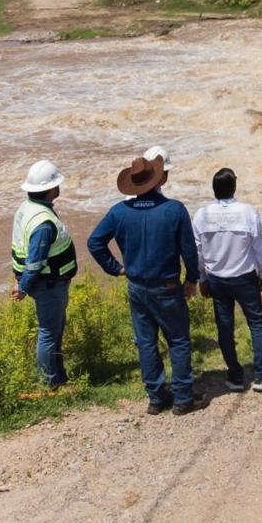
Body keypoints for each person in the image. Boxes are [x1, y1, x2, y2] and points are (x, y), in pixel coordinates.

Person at [87, 155, 208, 416]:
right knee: (178, 340)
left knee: (146, 342)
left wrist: (116, 268)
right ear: (158, 180)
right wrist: (191, 279)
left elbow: (94, 242)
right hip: (167, 287)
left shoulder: (119, 212)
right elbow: (189, 251)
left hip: (136, 286)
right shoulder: (174, 210)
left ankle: (156, 397)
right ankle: (183, 397)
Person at [192, 168, 262, 393]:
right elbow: (260, 248)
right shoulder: (248, 212)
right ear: (234, 188)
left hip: (217, 279)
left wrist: (202, 278)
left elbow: (197, 252)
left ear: (214, 190)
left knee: (225, 327)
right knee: (257, 324)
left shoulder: (202, 215)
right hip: (244, 278)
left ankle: (235, 375)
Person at [11, 159, 77, 389]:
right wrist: (23, 287)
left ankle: (58, 377)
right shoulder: (43, 222)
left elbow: (19, 247)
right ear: (50, 189)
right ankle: (49, 384)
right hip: (49, 284)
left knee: (54, 328)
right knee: (49, 332)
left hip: (44, 282)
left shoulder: (25, 209)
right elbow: (35, 261)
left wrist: (17, 279)